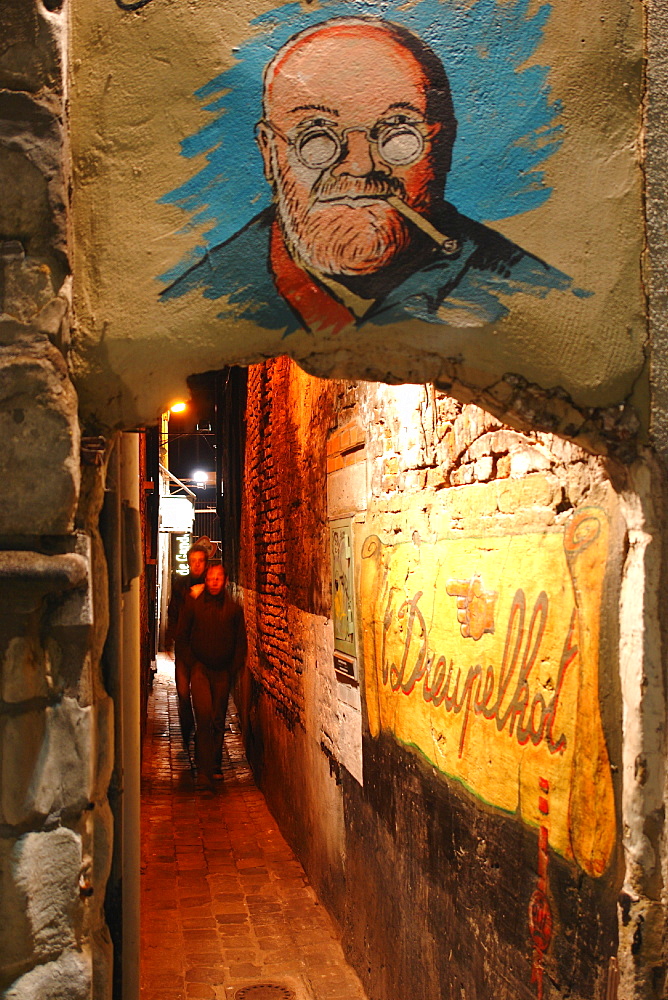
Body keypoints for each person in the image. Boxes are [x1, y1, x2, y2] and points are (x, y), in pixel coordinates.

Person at [161, 17, 578, 334]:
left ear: (440, 144)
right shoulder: (201, 302)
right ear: (271, 153)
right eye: (316, 138)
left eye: (398, 134)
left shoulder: (526, 292)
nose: (360, 165)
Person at [176, 561, 246, 792]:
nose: (214, 581)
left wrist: (232, 669)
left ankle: (214, 763)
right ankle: (204, 769)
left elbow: (240, 643)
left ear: (225, 581)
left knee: (218, 719)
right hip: (200, 669)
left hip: (222, 671)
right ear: (206, 580)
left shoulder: (234, 610)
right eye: (210, 577)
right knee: (204, 717)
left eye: (218, 578)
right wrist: (190, 663)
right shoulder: (194, 605)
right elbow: (183, 635)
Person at [166, 538, 212, 751]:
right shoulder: (179, 586)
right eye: (193, 561)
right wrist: (171, 637)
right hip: (184, 651)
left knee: (202, 697)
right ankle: (187, 730)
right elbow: (173, 613)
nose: (196, 565)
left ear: (205, 563)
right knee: (183, 693)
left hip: (204, 652)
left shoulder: (214, 587)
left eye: (200, 561)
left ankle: (202, 739)